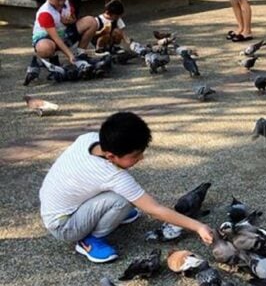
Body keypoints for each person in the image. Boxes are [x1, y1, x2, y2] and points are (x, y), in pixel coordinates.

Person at [39, 112, 214, 263]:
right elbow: (154, 210)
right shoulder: (111, 174)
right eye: (136, 155)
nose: (141, 158)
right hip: (63, 226)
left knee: (122, 194)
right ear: (111, 156)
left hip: (56, 206)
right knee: (123, 200)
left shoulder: (89, 139)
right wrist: (198, 226)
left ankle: (106, 215)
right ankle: (90, 241)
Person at [31, 0, 96, 64]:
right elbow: (55, 38)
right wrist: (70, 55)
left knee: (91, 21)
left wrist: (71, 21)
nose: (61, 2)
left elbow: (74, 18)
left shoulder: (67, 3)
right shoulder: (45, 13)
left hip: (64, 34)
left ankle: (81, 53)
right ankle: (53, 58)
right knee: (45, 48)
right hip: (47, 38)